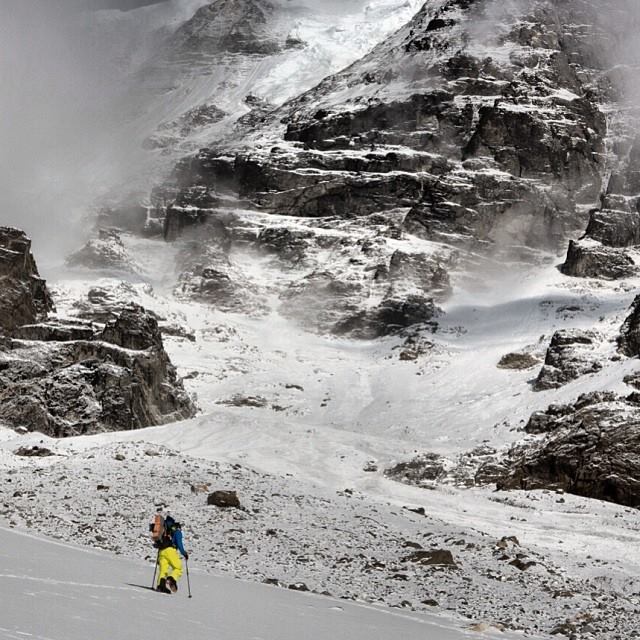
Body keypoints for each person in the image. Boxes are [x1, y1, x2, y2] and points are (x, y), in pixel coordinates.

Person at [156, 516, 189, 594]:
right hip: (170, 550)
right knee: (178, 568)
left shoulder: (164, 530)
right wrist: (184, 553)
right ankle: (172, 578)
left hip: (161, 551)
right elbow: (179, 544)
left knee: (163, 570)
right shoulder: (177, 531)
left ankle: (161, 586)